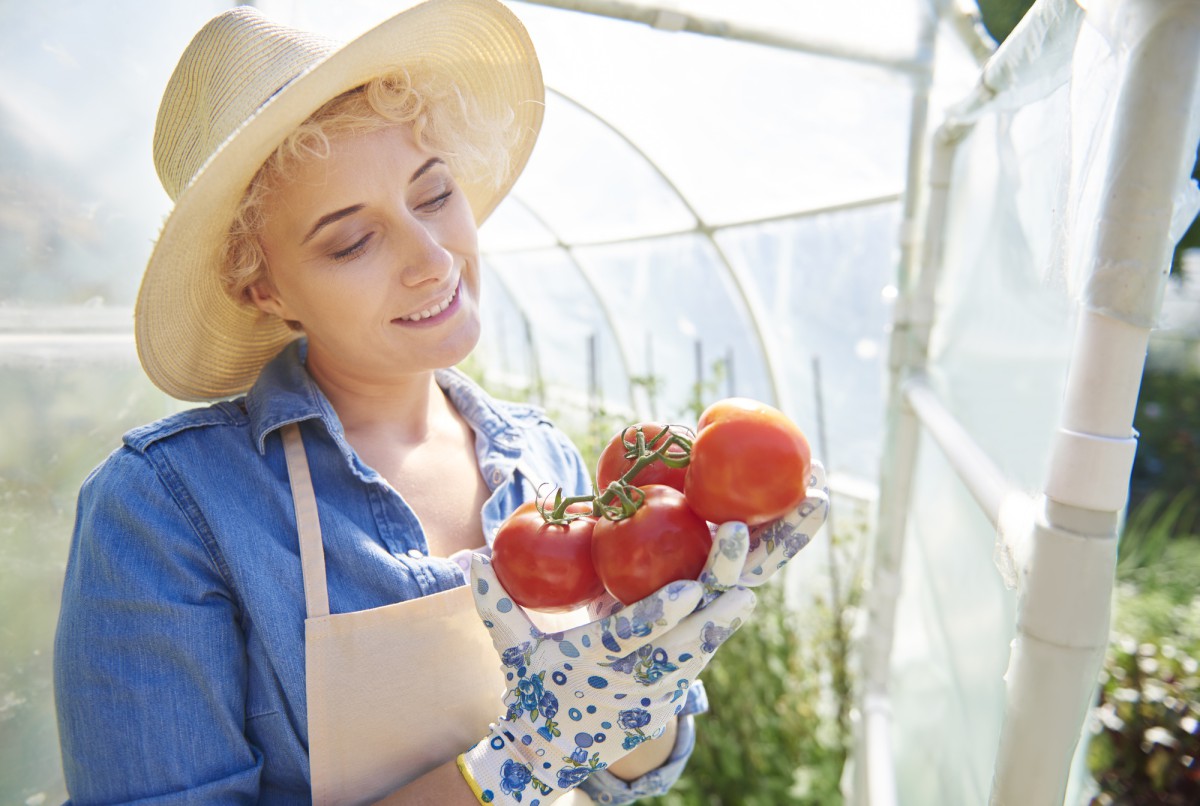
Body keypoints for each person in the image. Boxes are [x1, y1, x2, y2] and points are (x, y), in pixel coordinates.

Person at [52, 1, 829, 803]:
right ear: (265, 286)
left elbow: (621, 774)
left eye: (433, 195)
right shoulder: (168, 509)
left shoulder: (542, 458)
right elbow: (545, 754)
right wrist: (516, 760)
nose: (432, 259)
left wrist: (645, 689)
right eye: (351, 240)